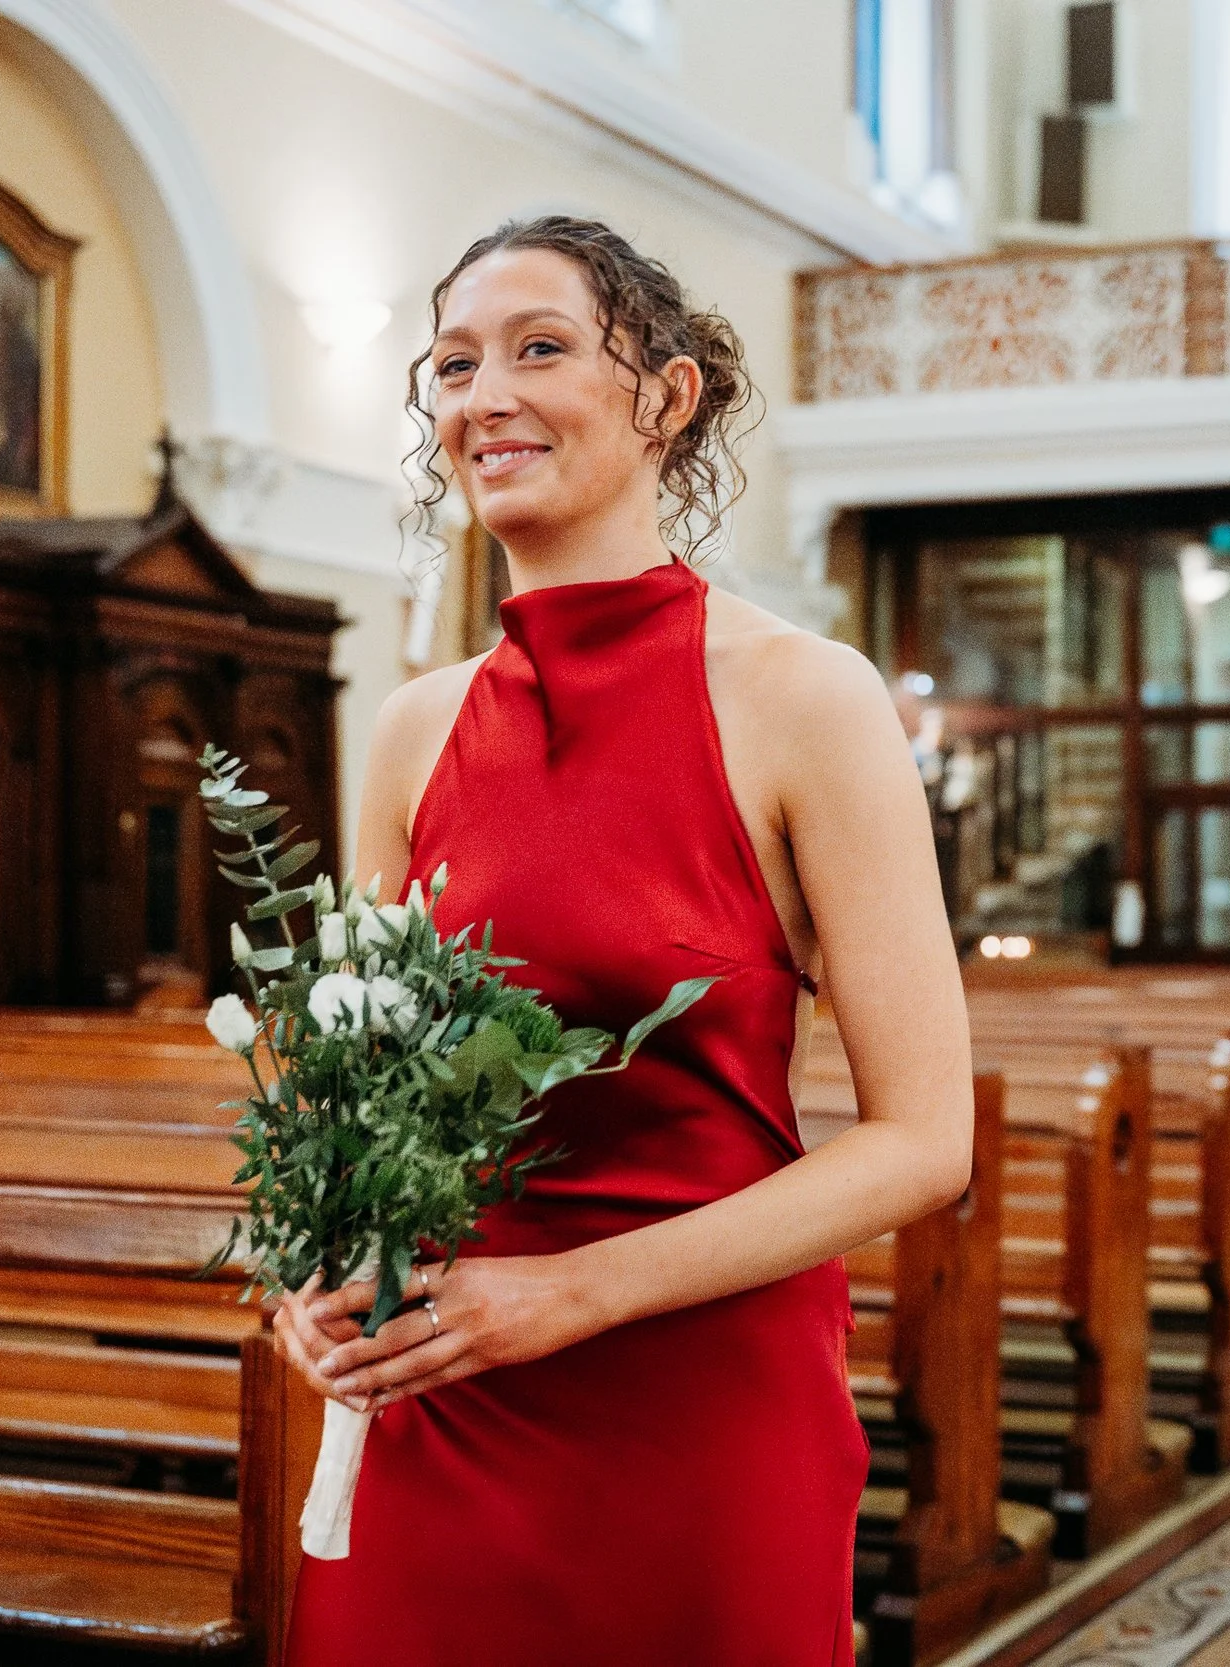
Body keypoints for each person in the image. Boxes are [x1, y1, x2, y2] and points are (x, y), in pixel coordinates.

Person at [271, 217, 974, 1665]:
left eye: (541, 348)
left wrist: (572, 1289)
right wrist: (316, 1267)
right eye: (454, 363)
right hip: (442, 1390)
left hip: (696, 1401)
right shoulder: (417, 726)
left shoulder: (805, 697)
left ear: (667, 397)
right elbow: (354, 1085)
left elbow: (925, 1139)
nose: (484, 395)